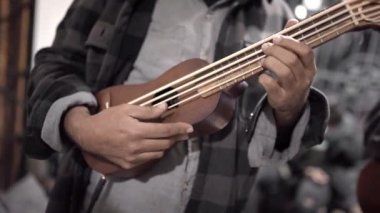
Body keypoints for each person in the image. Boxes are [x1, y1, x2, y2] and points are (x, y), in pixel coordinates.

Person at [26, 0, 329, 212]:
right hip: (90, 198)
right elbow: (55, 64)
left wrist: (290, 108)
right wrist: (81, 126)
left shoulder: (280, 21)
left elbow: (271, 146)